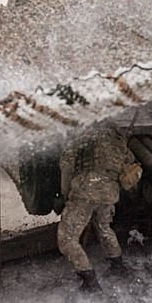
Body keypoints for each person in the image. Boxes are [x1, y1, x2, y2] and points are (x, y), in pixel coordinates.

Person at [57, 122, 141, 292]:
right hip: (110, 192)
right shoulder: (118, 141)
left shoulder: (84, 136)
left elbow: (66, 163)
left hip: (85, 190)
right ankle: (118, 267)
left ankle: (90, 282)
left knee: (67, 239)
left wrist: (65, 193)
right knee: (103, 227)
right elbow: (131, 165)